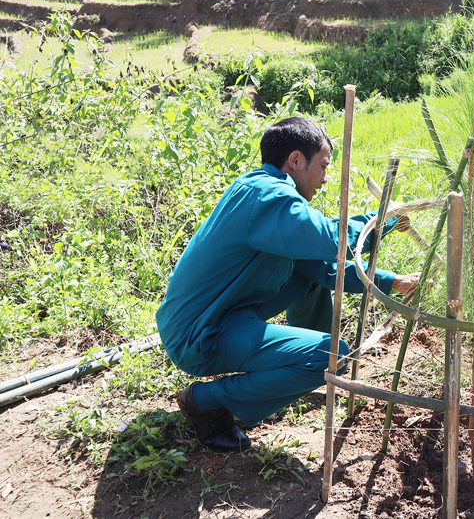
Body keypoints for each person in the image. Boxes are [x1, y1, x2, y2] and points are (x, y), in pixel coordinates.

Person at [156, 116, 419, 452]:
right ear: (295, 160)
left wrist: (393, 281)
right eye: (323, 166)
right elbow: (332, 239)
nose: (325, 178)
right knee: (332, 355)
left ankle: (303, 367)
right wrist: (383, 219)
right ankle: (205, 401)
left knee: (307, 278)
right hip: (199, 334)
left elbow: (322, 266)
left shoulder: (263, 193)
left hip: (219, 317)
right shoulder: (267, 197)